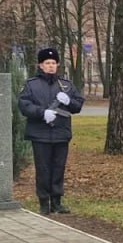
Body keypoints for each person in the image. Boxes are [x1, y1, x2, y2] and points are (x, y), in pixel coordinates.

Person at [17, 47, 85, 214]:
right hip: (40, 134)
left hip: (61, 133)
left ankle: (57, 201)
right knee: (43, 169)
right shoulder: (31, 85)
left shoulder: (66, 85)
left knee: (58, 168)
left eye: (53, 63)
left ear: (57, 65)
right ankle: (43, 202)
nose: (51, 66)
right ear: (41, 65)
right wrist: (42, 113)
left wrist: (69, 101)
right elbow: (24, 106)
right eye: (47, 63)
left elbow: (78, 106)